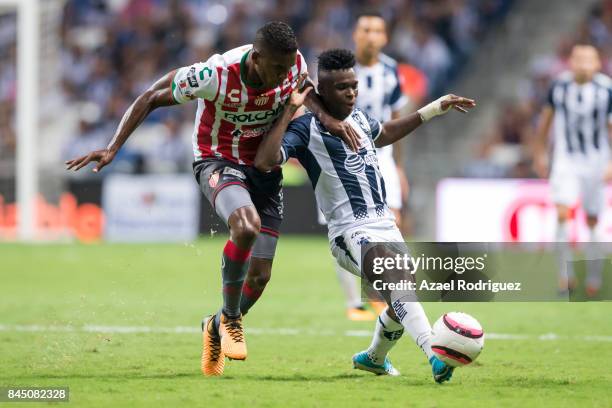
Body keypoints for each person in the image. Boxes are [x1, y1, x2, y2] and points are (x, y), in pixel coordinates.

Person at [65, 22, 363, 377]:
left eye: (287, 69)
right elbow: (151, 96)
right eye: (276, 69)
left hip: (264, 167)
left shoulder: (293, 63)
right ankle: (233, 319)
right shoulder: (214, 74)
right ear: (256, 58)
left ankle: (216, 324)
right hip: (217, 160)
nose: (283, 76)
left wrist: (330, 120)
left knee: (260, 277)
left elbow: (305, 91)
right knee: (246, 226)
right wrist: (113, 147)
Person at [254, 49, 475, 382]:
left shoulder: (358, 118)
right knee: (400, 285)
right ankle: (434, 354)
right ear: (322, 91)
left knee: (401, 296)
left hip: (385, 225)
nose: (352, 93)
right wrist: (289, 111)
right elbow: (266, 160)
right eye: (342, 87)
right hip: (350, 232)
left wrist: (432, 110)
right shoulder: (305, 129)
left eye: (354, 85)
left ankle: (373, 358)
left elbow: (383, 133)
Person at [334, 12, 411, 321]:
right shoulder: (339, 69)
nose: (371, 35)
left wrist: (401, 167)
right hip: (345, 157)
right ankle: (354, 303)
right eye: (365, 29)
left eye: (377, 30)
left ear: (385, 37)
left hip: (384, 157)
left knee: (392, 220)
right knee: (345, 227)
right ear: (355, 34)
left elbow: (395, 120)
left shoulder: (391, 71)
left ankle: (377, 294)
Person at [535, 44, 612, 296]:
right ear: (571, 62)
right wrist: (539, 153)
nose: (583, 65)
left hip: (596, 159)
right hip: (565, 158)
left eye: (589, 60)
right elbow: (545, 122)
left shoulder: (606, 89)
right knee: (562, 213)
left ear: (598, 63)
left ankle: (593, 278)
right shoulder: (559, 86)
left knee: (592, 220)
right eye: (579, 59)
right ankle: (563, 277)